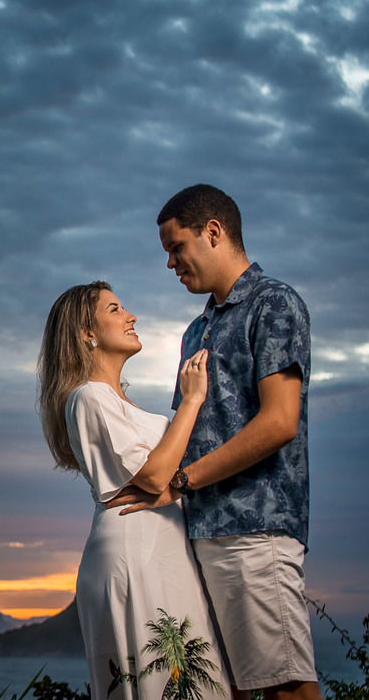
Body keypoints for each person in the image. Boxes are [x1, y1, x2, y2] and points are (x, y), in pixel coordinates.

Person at [110, 184, 318, 700]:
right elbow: (187, 426)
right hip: (199, 535)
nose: (170, 263)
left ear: (214, 232)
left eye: (176, 247)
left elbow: (280, 422)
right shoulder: (195, 331)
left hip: (255, 530)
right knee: (222, 692)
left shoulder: (274, 304)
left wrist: (181, 482)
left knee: (287, 688)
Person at [39, 281, 229, 700]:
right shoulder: (89, 397)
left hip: (156, 548)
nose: (131, 316)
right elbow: (156, 476)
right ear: (86, 333)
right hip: (135, 552)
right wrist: (192, 400)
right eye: (115, 309)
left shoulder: (115, 402)